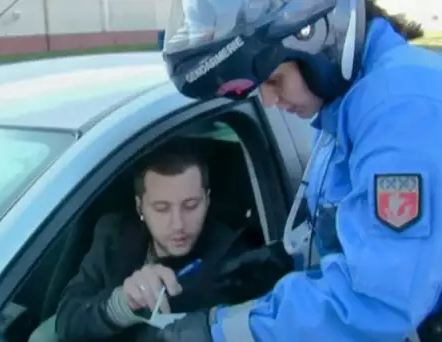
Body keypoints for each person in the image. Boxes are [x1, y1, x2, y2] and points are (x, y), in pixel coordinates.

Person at [140, 0, 442, 341]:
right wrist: (273, 263)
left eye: (274, 80)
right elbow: (342, 228)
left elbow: (380, 300)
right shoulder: (350, 101)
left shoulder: (405, 109)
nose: (269, 101)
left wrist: (220, 333)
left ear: (317, 38)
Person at [29, 140, 287, 342]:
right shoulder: (113, 235)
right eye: (162, 208)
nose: (178, 224)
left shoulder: (234, 259)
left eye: (191, 205)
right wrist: (124, 304)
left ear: (207, 199)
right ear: (140, 206)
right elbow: (67, 319)